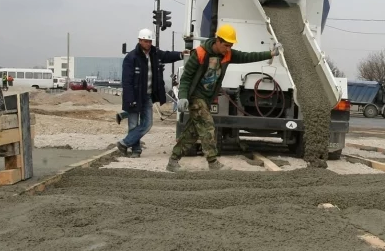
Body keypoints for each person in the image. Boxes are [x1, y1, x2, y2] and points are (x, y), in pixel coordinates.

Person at [166, 24, 280, 172]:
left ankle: (173, 161)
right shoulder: (200, 53)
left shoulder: (228, 54)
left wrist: (270, 53)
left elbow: (248, 56)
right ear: (217, 41)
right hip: (196, 96)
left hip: (207, 99)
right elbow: (186, 78)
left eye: (231, 45)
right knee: (208, 126)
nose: (228, 48)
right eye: (226, 45)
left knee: (192, 132)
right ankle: (213, 163)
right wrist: (182, 97)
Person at [117, 28, 186, 158]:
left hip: (147, 96)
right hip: (134, 96)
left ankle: (124, 143)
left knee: (147, 124)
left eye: (149, 41)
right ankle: (136, 151)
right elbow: (126, 82)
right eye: (145, 41)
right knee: (133, 124)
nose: (148, 44)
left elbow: (167, 55)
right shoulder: (131, 58)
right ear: (139, 41)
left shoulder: (155, 54)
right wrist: (130, 99)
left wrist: (181, 54)